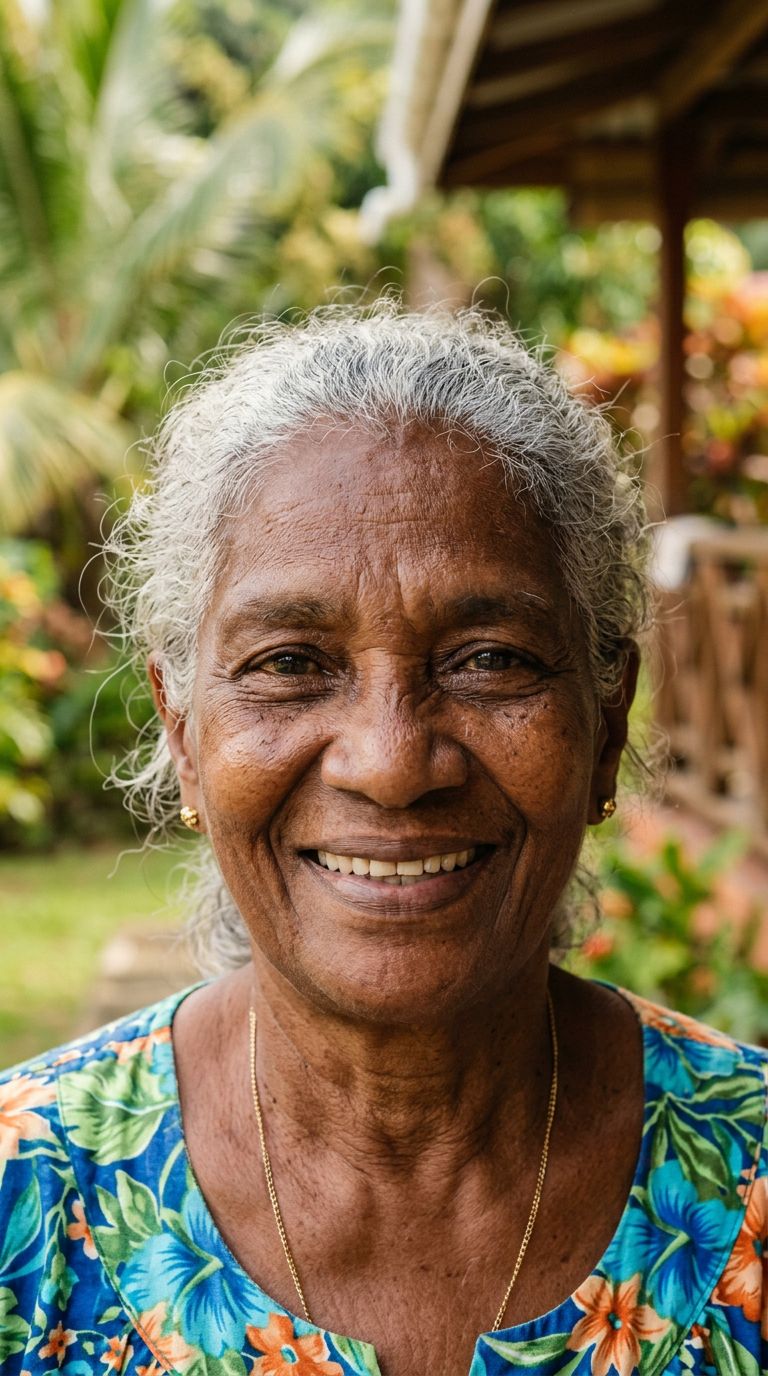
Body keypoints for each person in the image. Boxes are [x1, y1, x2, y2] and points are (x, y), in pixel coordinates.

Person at [1, 305, 765, 1376]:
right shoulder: (22, 1202)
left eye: (491, 657)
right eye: (290, 662)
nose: (392, 761)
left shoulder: (756, 1179)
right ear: (182, 732)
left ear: (604, 724)